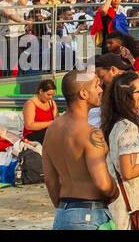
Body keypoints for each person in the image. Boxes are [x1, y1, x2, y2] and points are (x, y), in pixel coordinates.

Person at [43, 70, 119, 230]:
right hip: (90, 214)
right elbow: (103, 184)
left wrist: (64, 207)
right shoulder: (91, 133)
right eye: (97, 86)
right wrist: (114, 191)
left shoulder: (52, 129)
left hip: (63, 213)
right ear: (83, 93)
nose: (101, 90)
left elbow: (50, 180)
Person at [101, 71, 139, 231]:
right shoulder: (127, 128)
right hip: (130, 208)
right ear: (127, 96)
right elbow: (128, 171)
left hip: (125, 204)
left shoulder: (119, 123)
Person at [22, 77, 58, 144]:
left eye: (52, 95)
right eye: (48, 94)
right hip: (32, 134)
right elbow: (29, 126)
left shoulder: (51, 102)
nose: (50, 97)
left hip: (47, 131)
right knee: (52, 137)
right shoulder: (31, 104)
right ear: (41, 91)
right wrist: (50, 123)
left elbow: (56, 120)